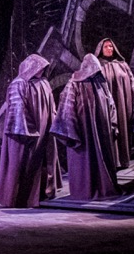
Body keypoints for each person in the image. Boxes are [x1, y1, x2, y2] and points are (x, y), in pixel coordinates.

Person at [0, 54, 61, 208]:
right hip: (25, 133)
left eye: (43, 68)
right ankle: (19, 197)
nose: (41, 70)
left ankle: (42, 193)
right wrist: (28, 129)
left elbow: (52, 106)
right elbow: (17, 110)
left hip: (44, 130)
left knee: (42, 160)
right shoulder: (18, 84)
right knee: (22, 161)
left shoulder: (44, 83)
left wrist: (53, 124)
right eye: (38, 67)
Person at [50, 54, 120, 201]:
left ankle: (103, 186)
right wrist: (72, 132)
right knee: (84, 160)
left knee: (102, 159)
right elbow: (67, 109)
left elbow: (111, 104)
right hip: (84, 131)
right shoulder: (74, 83)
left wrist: (113, 124)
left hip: (101, 130)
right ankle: (84, 189)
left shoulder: (101, 82)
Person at [94, 38, 134, 169]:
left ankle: (124, 160)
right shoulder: (98, 67)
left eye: (111, 46)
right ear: (100, 49)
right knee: (110, 131)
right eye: (106, 46)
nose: (109, 49)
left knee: (123, 129)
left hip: (123, 104)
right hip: (107, 106)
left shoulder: (122, 65)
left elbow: (133, 83)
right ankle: (112, 161)